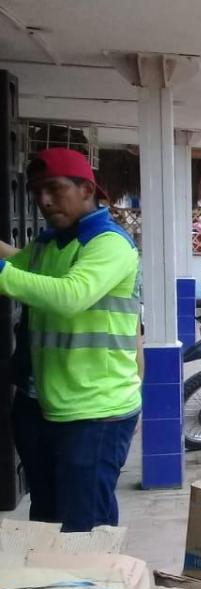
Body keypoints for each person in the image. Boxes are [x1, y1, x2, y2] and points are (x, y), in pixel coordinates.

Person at [0, 148, 141, 532]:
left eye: (54, 189)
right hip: (42, 405)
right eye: (36, 192)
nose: (44, 201)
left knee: (86, 528)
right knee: (47, 521)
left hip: (95, 412)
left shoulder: (110, 244)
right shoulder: (50, 244)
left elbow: (70, 295)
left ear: (86, 190)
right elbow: (18, 266)